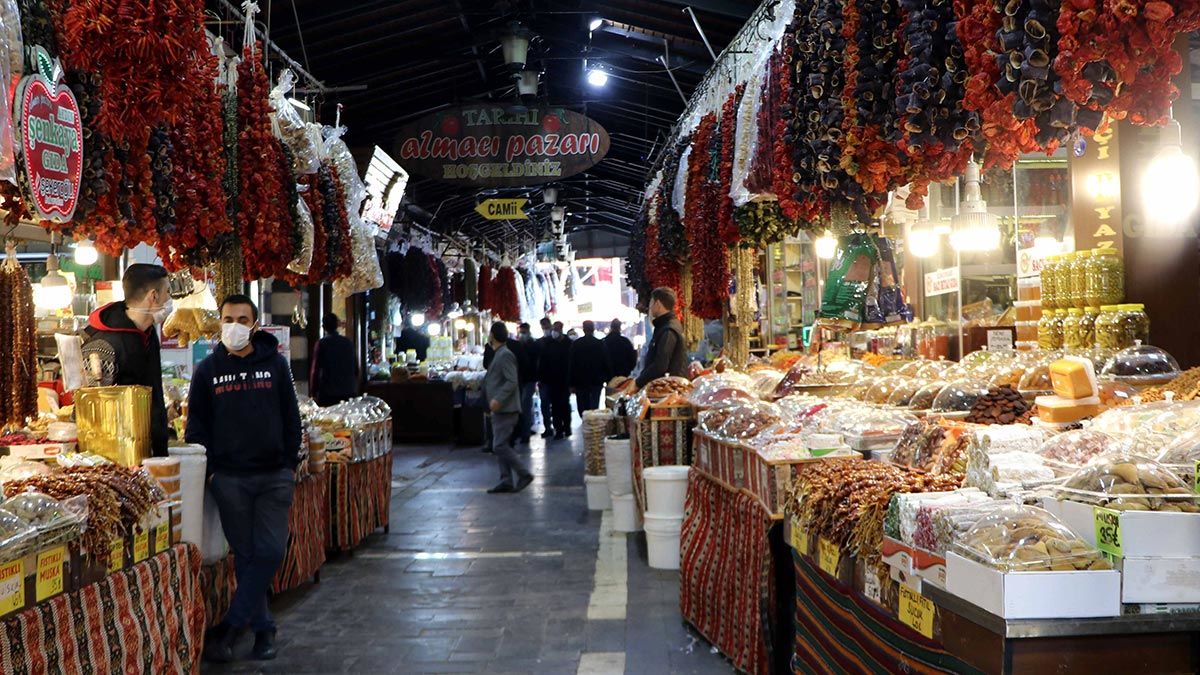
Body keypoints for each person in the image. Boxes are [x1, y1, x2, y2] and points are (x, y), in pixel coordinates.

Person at [188, 295, 302, 663]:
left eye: (241, 318)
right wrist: (213, 473)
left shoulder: (276, 366)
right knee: (247, 556)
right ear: (219, 322)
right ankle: (264, 630)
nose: (233, 324)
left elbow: (291, 417)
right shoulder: (206, 371)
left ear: (254, 324)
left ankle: (232, 626)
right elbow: (197, 426)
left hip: (273, 475)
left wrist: (287, 462)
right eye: (227, 318)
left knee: (270, 550)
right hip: (230, 478)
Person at [82, 263, 171, 456]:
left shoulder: (148, 333)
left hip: (150, 451)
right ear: (153, 296)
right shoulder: (103, 344)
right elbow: (92, 415)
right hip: (117, 456)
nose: (169, 299)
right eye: (167, 292)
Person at [483, 321, 533, 494]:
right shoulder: (498, 353)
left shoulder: (505, 355)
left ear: (493, 335)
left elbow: (512, 381)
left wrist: (498, 399)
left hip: (506, 408)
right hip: (500, 409)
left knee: (499, 446)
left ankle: (523, 473)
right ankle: (506, 480)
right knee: (501, 443)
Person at [635, 287, 689, 388]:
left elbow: (660, 366)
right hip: (668, 388)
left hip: (670, 390)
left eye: (651, 303)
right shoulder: (665, 326)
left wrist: (637, 383)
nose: (649, 308)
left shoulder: (668, 330)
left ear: (658, 304)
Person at [309, 314, 359, 406]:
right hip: (348, 392)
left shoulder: (321, 344)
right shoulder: (348, 343)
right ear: (337, 325)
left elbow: (315, 371)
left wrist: (313, 392)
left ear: (323, 327)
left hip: (328, 394)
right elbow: (356, 368)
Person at [539, 321, 573, 439]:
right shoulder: (549, 344)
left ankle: (567, 427)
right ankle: (558, 429)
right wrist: (542, 378)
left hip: (564, 381)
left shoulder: (569, 344)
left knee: (564, 405)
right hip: (551, 381)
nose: (554, 331)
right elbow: (543, 362)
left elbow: (572, 363)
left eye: (556, 329)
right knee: (555, 407)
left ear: (561, 329)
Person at [568, 320, 611, 414]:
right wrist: (607, 378)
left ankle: (585, 421)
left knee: (583, 406)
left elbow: (572, 364)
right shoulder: (600, 344)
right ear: (593, 329)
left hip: (580, 381)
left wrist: (571, 383)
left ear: (583, 329)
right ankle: (591, 423)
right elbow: (606, 362)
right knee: (594, 406)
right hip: (596, 381)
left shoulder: (576, 344)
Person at [534, 317, 557, 439]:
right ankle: (548, 427)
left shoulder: (556, 342)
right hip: (544, 379)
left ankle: (557, 426)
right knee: (545, 404)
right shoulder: (539, 343)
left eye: (546, 326)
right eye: (543, 326)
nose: (545, 329)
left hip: (555, 379)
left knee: (555, 404)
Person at [515, 323, 538, 443]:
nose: (522, 334)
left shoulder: (533, 345)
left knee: (525, 405)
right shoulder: (518, 345)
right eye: (521, 332)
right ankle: (523, 430)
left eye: (524, 332)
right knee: (523, 406)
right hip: (520, 380)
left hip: (529, 380)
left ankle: (525, 433)